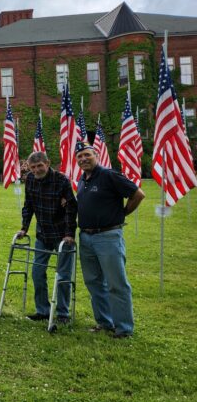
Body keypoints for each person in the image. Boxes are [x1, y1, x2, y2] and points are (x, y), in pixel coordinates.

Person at [75, 141, 145, 338]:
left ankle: (124, 328)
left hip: (108, 236)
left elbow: (138, 194)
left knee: (117, 283)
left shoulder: (108, 175)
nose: (83, 159)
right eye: (79, 156)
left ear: (96, 155)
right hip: (86, 238)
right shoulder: (82, 180)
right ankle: (105, 322)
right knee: (94, 282)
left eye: (87, 155)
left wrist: (122, 214)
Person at [17, 151, 77, 323]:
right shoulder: (29, 179)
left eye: (39, 166)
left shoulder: (62, 180)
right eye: (33, 167)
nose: (36, 170)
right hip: (42, 233)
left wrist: (69, 233)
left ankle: (63, 313)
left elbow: (71, 208)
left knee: (63, 275)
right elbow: (28, 205)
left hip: (61, 234)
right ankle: (43, 310)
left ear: (48, 163)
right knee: (37, 272)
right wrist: (24, 228)